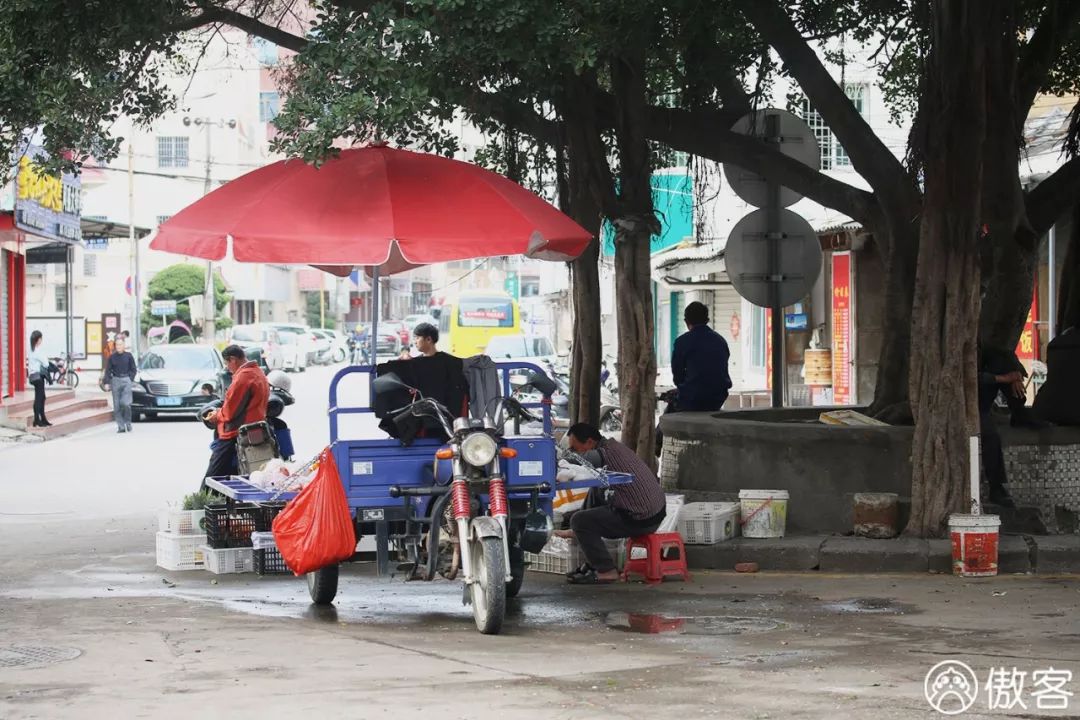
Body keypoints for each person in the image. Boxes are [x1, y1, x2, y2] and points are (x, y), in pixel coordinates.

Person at [559, 422, 667, 585]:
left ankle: (606, 571)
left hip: (643, 519)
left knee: (579, 520)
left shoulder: (603, 453)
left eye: (575, 447)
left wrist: (555, 457)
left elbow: (572, 460)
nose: (574, 451)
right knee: (596, 488)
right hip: (654, 511)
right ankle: (584, 544)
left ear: (589, 442)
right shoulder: (613, 446)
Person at [200, 345, 270, 489]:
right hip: (254, 429)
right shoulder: (258, 372)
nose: (227, 367)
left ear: (233, 360)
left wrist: (217, 414)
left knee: (213, 475)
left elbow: (231, 411)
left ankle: (202, 504)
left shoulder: (243, 378)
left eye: (227, 363)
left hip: (235, 432)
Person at [671, 301, 732, 411]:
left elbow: (677, 376)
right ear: (707, 320)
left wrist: (685, 388)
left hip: (692, 398)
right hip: (718, 398)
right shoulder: (720, 341)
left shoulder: (682, 342)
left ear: (686, 321)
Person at [103, 335, 137, 433]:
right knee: (117, 405)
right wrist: (107, 382)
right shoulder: (112, 357)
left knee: (125, 403)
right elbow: (108, 371)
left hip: (126, 380)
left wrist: (130, 379)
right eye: (117, 345)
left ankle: (128, 422)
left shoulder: (129, 356)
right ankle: (121, 426)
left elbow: (133, 369)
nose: (118, 346)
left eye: (120, 344)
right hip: (115, 381)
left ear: (124, 345)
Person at [27, 330, 51, 427]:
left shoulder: (31, 350)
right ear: (38, 340)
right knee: (39, 398)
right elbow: (46, 363)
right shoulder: (37, 351)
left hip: (33, 377)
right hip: (38, 377)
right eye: (40, 338)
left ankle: (42, 419)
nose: (41, 340)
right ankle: (37, 420)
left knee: (41, 397)